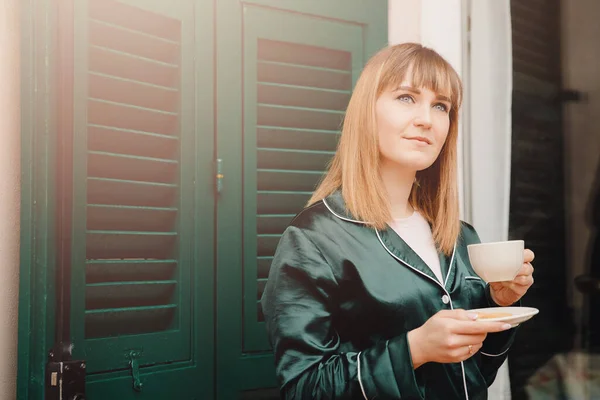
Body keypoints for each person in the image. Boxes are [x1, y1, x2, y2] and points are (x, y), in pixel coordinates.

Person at [260, 43, 535, 400]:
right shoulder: (313, 239)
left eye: (441, 106)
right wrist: (415, 349)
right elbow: (305, 388)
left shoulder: (460, 237)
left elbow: (475, 373)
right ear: (366, 112)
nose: (426, 119)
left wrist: (500, 305)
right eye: (406, 98)